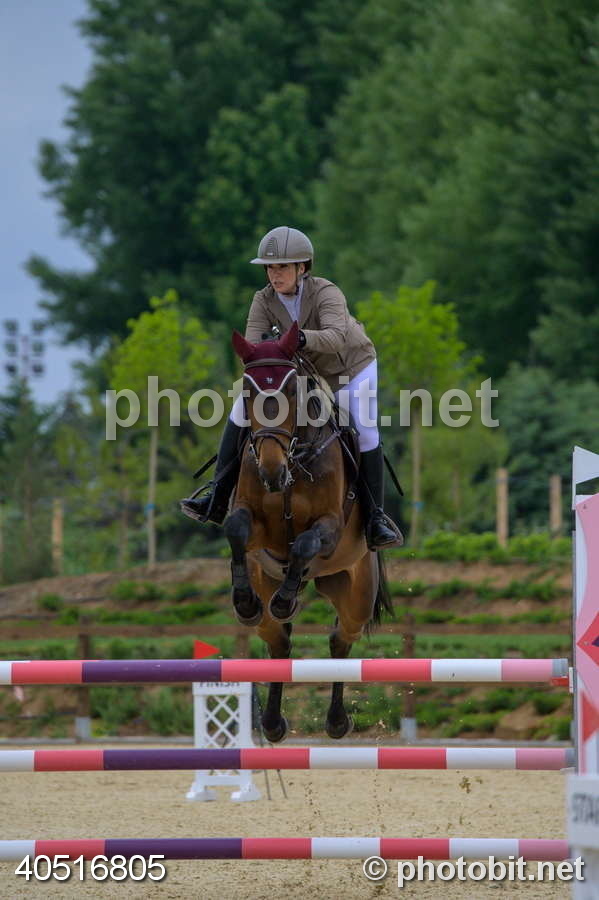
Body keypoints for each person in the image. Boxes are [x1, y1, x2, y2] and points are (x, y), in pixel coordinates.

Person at [181, 225, 403, 549]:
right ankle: (216, 495)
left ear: (302, 267)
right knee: (241, 409)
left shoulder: (326, 292)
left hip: (349, 369)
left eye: (282, 266)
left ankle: (375, 519)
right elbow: (253, 348)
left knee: (366, 431)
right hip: (297, 373)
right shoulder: (263, 300)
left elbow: (336, 338)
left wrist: (299, 338)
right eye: (270, 267)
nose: (275, 274)